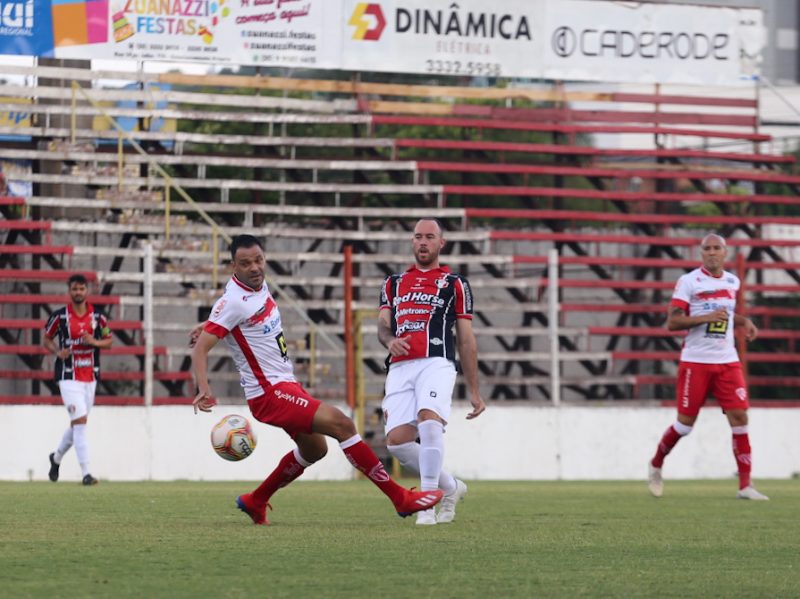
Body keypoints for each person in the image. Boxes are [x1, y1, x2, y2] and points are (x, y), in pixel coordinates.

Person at [191, 234, 443, 525]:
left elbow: (234, 316)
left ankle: (256, 500)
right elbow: (200, 349)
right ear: (233, 266)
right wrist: (204, 389)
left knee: (315, 449)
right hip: (269, 393)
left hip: (285, 385)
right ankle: (400, 498)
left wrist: (209, 323)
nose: (255, 267)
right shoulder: (234, 301)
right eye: (245, 263)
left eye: (259, 260)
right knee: (342, 424)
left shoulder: (255, 286)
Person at [378, 218, 486, 526]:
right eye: (418, 237)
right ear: (412, 242)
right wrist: (390, 340)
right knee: (397, 442)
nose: (423, 242)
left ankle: (426, 505)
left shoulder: (455, 284)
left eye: (429, 237)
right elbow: (382, 326)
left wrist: (474, 390)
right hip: (400, 366)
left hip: (436, 361)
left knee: (429, 420)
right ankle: (450, 487)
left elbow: (466, 339)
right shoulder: (393, 283)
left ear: (441, 243)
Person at [648, 233, 768, 500]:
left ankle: (745, 486)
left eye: (717, 248)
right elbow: (673, 323)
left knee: (740, 417)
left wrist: (743, 321)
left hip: (727, 361)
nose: (712, 252)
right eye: (707, 248)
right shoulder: (689, 282)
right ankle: (656, 464)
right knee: (685, 425)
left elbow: (726, 314)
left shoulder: (732, 281)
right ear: (701, 253)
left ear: (725, 253)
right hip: (696, 362)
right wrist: (706, 318)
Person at [44, 274, 112, 485]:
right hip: (68, 375)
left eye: (81, 289)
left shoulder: (98, 317)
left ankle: (56, 458)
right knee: (81, 423)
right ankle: (86, 473)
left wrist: (94, 342)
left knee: (77, 424)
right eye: (74, 289)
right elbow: (47, 339)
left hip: (90, 375)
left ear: (87, 291)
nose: (78, 292)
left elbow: (109, 341)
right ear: (69, 291)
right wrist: (58, 351)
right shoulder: (60, 317)